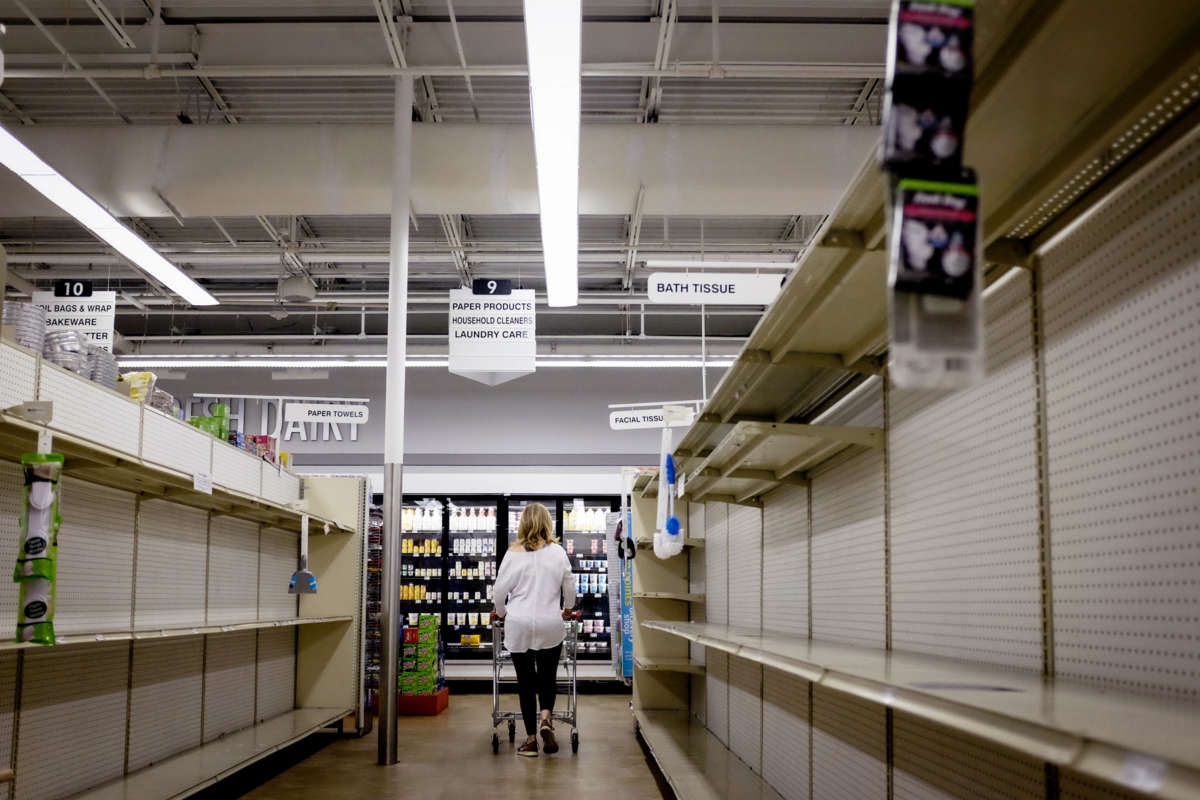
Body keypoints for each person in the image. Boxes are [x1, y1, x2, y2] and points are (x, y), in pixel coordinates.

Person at [493, 503, 575, 757]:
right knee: (547, 677)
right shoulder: (558, 552)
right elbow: (569, 587)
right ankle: (546, 718)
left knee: (526, 682)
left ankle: (530, 742)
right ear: (547, 523)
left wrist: (504, 614)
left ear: (523, 523)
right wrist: (568, 609)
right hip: (551, 623)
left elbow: (498, 592)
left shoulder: (513, 552)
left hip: (519, 624)